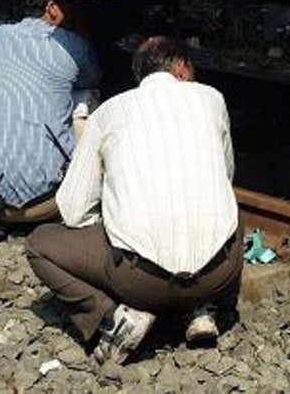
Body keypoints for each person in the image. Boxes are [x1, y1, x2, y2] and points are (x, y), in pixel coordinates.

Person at [24, 37, 243, 365]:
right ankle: (200, 310)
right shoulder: (212, 98)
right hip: (218, 275)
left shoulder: (109, 112)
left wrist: (112, 221)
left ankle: (112, 318)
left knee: (39, 244)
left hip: (139, 283)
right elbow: (226, 176)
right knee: (231, 209)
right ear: (181, 66)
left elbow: (72, 209)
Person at [0, 0, 104, 229]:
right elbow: (94, 77)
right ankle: (82, 195)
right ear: (52, 7)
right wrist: (80, 25)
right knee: (85, 96)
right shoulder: (73, 44)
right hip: (48, 204)